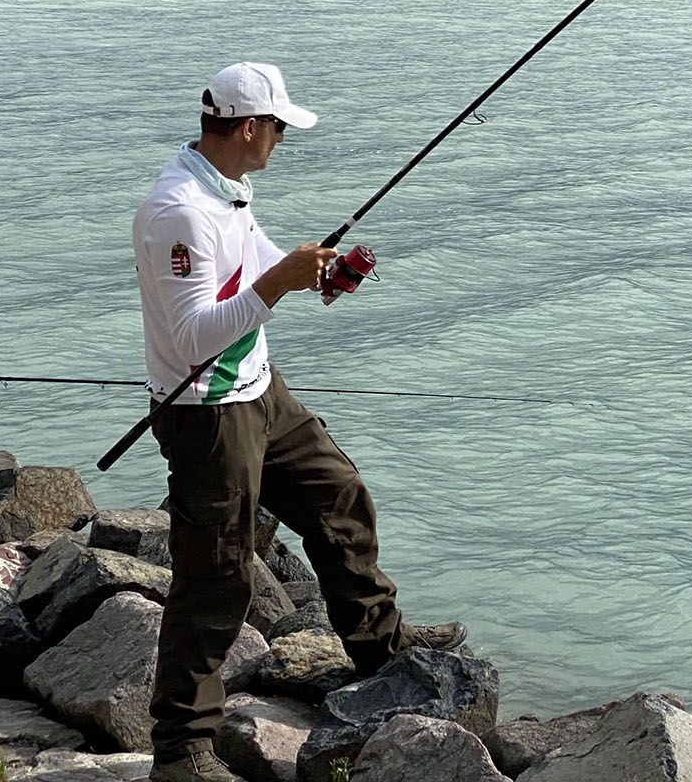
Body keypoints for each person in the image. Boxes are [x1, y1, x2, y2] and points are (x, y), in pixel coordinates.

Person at [133, 61, 464, 782]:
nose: (283, 139)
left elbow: (250, 270)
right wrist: (279, 284)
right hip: (207, 411)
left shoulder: (228, 191)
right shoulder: (177, 211)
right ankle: (183, 750)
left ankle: (383, 657)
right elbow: (193, 340)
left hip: (259, 388)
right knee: (217, 573)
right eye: (279, 127)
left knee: (337, 497)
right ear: (249, 127)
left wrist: (314, 269)